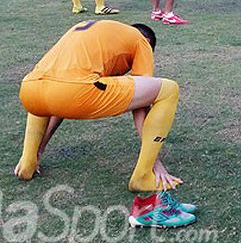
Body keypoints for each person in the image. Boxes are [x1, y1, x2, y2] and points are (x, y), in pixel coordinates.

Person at [14, 21, 185, 189]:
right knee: (169, 89)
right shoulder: (141, 40)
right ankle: (143, 176)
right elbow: (142, 105)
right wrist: (155, 163)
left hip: (31, 90)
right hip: (73, 92)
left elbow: (58, 100)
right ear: (148, 43)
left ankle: (28, 160)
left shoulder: (98, 32)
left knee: (59, 91)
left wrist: (39, 149)